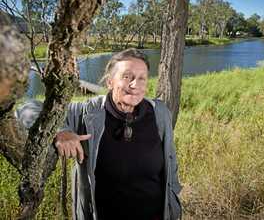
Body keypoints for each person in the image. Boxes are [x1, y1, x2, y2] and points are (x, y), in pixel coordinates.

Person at [53, 48, 182, 220]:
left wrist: (173, 208)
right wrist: (60, 131)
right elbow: (28, 110)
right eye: (127, 76)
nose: (135, 85)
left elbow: (170, 168)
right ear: (110, 82)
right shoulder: (86, 113)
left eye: (141, 78)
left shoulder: (160, 113)